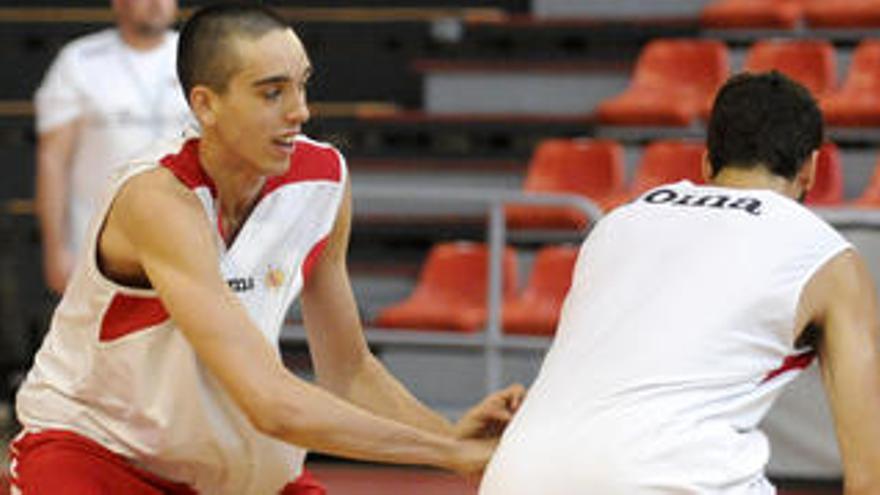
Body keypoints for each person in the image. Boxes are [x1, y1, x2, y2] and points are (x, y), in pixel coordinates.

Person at [11, 4, 524, 494]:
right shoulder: (158, 199)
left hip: (231, 471)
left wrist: (452, 435)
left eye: (302, 85)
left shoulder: (323, 181)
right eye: (271, 93)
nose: (300, 111)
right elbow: (270, 403)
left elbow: (348, 371)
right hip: (99, 453)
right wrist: (446, 453)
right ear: (205, 105)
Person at [480, 72, 880, 495]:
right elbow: (869, 473)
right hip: (671, 479)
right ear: (811, 168)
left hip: (515, 474)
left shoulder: (618, 222)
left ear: (707, 162)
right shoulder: (827, 256)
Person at [34, 0, 192, 295]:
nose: (158, 3)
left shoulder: (197, 54)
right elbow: (53, 158)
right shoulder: (79, 60)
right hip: (98, 245)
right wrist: (55, 248)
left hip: (188, 241)